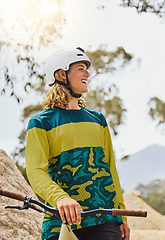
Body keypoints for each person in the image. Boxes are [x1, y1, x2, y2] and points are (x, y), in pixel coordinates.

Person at [25, 47, 130, 240]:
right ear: (62, 74)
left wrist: (120, 213)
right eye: (81, 68)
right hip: (61, 220)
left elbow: (110, 169)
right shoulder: (40, 123)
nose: (88, 73)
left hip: (104, 218)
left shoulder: (98, 120)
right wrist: (60, 198)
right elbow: (35, 171)